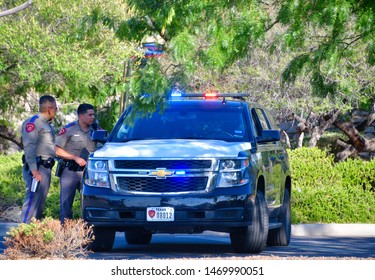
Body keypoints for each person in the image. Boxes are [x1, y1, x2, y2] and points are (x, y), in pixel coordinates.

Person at [55, 103, 99, 224]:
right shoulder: (69, 129)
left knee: (90, 202)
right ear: (80, 115)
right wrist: (75, 158)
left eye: (93, 114)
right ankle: (65, 233)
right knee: (66, 204)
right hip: (70, 171)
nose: (93, 117)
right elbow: (57, 149)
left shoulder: (96, 129)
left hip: (88, 172)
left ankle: (88, 234)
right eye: (90, 114)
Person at [21, 95, 57, 224]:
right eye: (56, 108)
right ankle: (24, 232)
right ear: (50, 108)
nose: (56, 112)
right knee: (32, 200)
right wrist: (34, 169)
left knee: (40, 202)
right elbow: (29, 146)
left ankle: (34, 234)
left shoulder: (47, 124)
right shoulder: (33, 122)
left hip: (45, 167)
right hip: (37, 167)